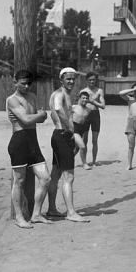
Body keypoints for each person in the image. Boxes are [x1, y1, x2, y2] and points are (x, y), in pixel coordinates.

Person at [6, 70, 51, 229]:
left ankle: (36, 214)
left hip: (33, 142)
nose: (25, 86)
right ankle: (19, 218)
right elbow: (26, 119)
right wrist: (40, 115)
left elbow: (42, 118)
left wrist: (39, 116)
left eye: (28, 83)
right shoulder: (12, 100)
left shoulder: (32, 96)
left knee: (45, 178)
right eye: (22, 83)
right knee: (19, 180)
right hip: (19, 142)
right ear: (15, 81)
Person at [47, 67, 89, 222]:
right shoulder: (59, 94)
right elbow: (57, 109)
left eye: (73, 79)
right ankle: (71, 212)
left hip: (59, 136)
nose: (71, 81)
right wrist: (70, 129)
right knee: (68, 177)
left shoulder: (64, 94)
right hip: (63, 135)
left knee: (56, 175)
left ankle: (51, 209)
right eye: (68, 79)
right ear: (61, 80)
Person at [79, 71, 105, 167]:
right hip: (85, 115)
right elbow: (79, 105)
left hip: (95, 115)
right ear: (87, 80)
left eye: (93, 80)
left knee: (94, 140)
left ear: (96, 80)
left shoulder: (99, 91)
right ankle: (85, 162)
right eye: (90, 80)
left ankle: (94, 161)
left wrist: (92, 101)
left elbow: (103, 106)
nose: (92, 82)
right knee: (84, 140)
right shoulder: (83, 91)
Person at [72, 91, 92, 170]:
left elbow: (85, 121)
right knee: (82, 146)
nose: (85, 99)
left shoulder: (88, 110)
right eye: (83, 98)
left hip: (81, 129)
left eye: (86, 98)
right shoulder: (74, 107)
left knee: (76, 148)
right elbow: (66, 116)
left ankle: (68, 160)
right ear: (79, 98)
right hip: (74, 128)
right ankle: (84, 164)